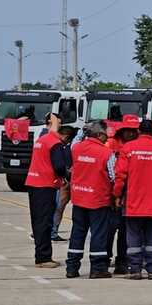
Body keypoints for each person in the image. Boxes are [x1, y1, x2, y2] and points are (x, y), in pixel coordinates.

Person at [114, 120, 152, 280]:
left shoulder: (128, 149)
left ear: (139, 132)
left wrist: (117, 195)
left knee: (133, 235)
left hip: (134, 201)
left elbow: (120, 175)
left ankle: (135, 269)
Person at [66, 121, 114, 279]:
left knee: (77, 232)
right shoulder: (106, 153)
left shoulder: (76, 148)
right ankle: (98, 268)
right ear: (100, 135)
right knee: (99, 234)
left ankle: (72, 267)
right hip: (98, 199)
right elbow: (114, 176)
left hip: (79, 198)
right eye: (105, 135)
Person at [25, 113, 68, 268]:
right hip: (45, 185)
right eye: (60, 124)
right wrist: (67, 176)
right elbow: (59, 167)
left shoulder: (42, 139)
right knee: (45, 222)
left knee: (38, 221)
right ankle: (43, 258)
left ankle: (41, 255)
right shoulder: (53, 142)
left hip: (34, 183)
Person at [106, 114, 140, 274]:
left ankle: (122, 262)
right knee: (109, 230)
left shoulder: (139, 145)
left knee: (126, 232)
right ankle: (104, 259)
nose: (131, 134)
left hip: (130, 195)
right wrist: (115, 194)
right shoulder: (111, 144)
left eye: (134, 131)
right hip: (112, 193)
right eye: (128, 130)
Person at [51, 125, 77, 242]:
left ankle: (52, 231)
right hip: (66, 181)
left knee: (59, 207)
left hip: (67, 180)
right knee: (59, 207)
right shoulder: (62, 147)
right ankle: (52, 231)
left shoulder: (60, 145)